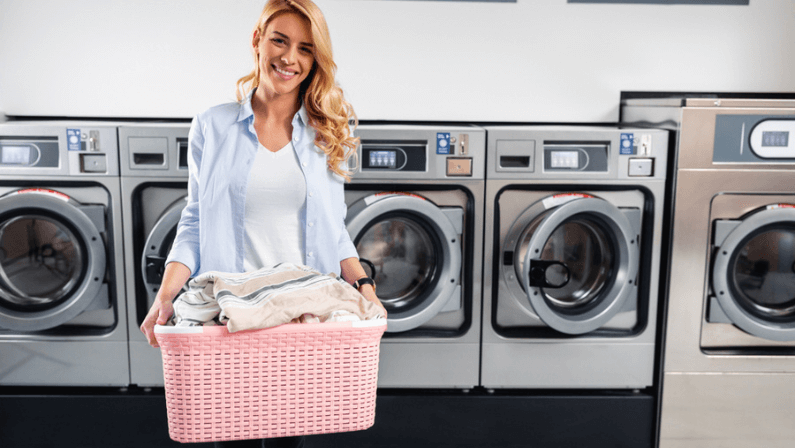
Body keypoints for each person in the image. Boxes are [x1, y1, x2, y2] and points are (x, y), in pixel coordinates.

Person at [139, 1, 385, 446]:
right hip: (231, 313)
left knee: (289, 439)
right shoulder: (212, 126)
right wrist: (165, 297)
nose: (290, 58)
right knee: (228, 435)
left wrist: (366, 289)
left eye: (306, 49)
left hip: (298, 315)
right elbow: (193, 222)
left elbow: (336, 230)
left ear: (315, 61)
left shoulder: (327, 132)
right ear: (257, 40)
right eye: (280, 40)